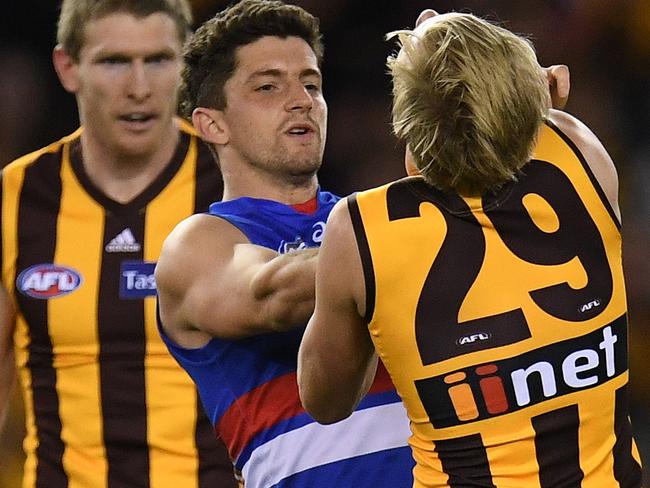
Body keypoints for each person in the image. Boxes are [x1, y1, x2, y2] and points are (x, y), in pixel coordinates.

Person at [155, 2, 574, 487]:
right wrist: (419, 233)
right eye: (268, 86)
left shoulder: (380, 220)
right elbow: (270, 294)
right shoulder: (197, 245)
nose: (301, 100)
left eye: (311, 84)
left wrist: (494, 111)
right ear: (212, 124)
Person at [297, 10, 644, 488]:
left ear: (405, 120)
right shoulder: (579, 150)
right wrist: (526, 98)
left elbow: (325, 402)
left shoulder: (359, 231)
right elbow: (516, 132)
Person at [0, 1, 237, 487]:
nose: (139, 88)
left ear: (186, 63)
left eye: (158, 60)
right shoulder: (15, 196)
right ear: (68, 68)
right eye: (113, 62)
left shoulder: (235, 186)